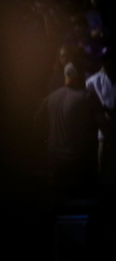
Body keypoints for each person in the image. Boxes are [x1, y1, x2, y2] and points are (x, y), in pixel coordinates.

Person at [35, 62, 105, 202]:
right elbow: (105, 127)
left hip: (55, 162)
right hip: (80, 164)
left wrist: (46, 140)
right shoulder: (87, 97)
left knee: (57, 205)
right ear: (78, 77)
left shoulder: (51, 97)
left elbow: (36, 121)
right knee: (82, 207)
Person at [85, 47, 116, 187]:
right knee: (102, 164)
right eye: (103, 60)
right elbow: (89, 107)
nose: (105, 63)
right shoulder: (93, 81)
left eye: (108, 59)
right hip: (103, 127)